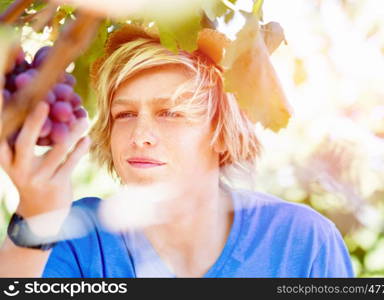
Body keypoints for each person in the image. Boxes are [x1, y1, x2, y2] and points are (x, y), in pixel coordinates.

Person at [0, 24, 354, 278]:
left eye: (170, 113)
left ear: (221, 131)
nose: (140, 135)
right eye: (124, 114)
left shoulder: (301, 240)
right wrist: (35, 216)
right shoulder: (75, 236)